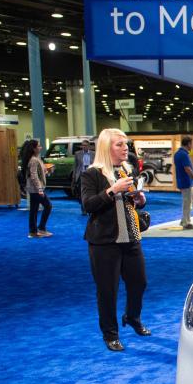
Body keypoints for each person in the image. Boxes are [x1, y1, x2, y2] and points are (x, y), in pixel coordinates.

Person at [80, 128, 151, 352]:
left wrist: (139, 199)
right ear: (106, 147)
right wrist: (112, 191)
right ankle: (110, 334)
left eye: (126, 144)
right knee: (107, 291)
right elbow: (87, 205)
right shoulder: (92, 174)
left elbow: (133, 202)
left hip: (130, 237)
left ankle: (132, 317)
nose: (125, 148)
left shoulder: (127, 170)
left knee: (139, 282)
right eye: (119, 144)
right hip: (104, 242)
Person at [22, 139, 53, 238]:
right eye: (39, 146)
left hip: (33, 189)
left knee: (34, 210)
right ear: (34, 149)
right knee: (48, 206)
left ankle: (33, 231)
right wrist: (40, 189)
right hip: (35, 189)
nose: (40, 147)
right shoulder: (34, 160)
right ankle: (41, 228)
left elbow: (37, 174)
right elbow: (34, 176)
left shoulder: (35, 158)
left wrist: (47, 172)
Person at [173, 136, 193, 229]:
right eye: (191, 144)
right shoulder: (183, 155)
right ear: (189, 144)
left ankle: (184, 220)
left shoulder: (178, 153)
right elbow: (188, 169)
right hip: (186, 182)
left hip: (184, 181)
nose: (192, 146)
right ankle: (186, 223)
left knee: (192, 200)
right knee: (188, 202)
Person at [73, 139, 94, 212]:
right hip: (81, 175)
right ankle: (83, 208)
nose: (83, 147)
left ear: (88, 146)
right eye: (82, 145)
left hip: (91, 175)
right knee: (81, 192)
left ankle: (90, 207)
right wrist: (74, 177)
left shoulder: (93, 154)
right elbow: (75, 166)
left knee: (91, 192)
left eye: (85, 145)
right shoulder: (77, 154)